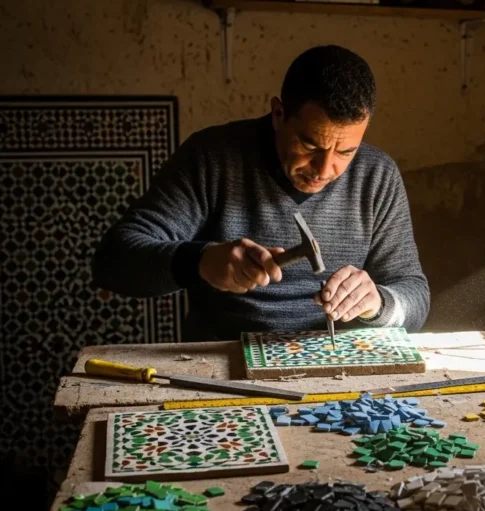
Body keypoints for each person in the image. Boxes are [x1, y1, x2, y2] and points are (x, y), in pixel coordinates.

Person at [92, 45, 430, 341]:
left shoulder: (377, 175)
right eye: (310, 144)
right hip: (222, 360)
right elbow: (114, 261)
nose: (325, 170)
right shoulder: (212, 158)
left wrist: (379, 304)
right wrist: (199, 261)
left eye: (346, 152)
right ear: (279, 115)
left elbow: (414, 293)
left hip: (334, 362)